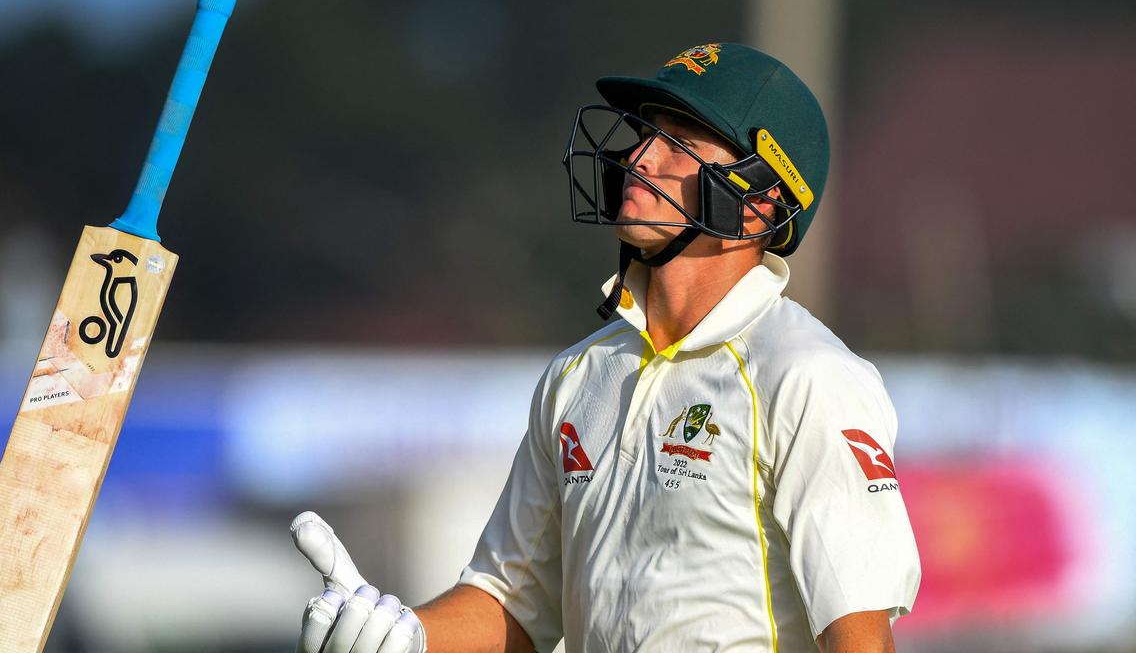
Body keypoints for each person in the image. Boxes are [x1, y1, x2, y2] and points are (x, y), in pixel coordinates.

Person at [290, 42, 921, 653]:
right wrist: (406, 637)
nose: (639, 159)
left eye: (679, 142)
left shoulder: (809, 376)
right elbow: (513, 605)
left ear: (757, 204)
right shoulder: (578, 374)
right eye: (645, 134)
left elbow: (859, 638)